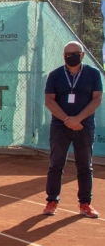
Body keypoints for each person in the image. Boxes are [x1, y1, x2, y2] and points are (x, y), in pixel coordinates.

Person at [42, 41, 102, 218]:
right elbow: (49, 101)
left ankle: (85, 204)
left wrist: (78, 119)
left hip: (84, 126)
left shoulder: (93, 74)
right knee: (55, 164)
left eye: (75, 53)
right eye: (68, 54)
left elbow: (97, 99)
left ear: (82, 55)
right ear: (63, 56)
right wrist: (68, 120)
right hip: (60, 127)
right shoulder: (55, 75)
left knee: (85, 166)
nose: (71, 57)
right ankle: (51, 201)